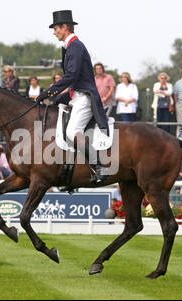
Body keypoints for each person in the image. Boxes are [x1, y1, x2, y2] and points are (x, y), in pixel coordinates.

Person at [35, 10, 110, 182]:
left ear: (65, 27)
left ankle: (99, 166)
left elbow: (72, 76)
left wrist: (49, 91)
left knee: (72, 132)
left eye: (56, 29)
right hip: (75, 94)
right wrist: (53, 97)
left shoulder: (75, 46)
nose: (54, 33)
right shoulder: (70, 47)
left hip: (84, 96)